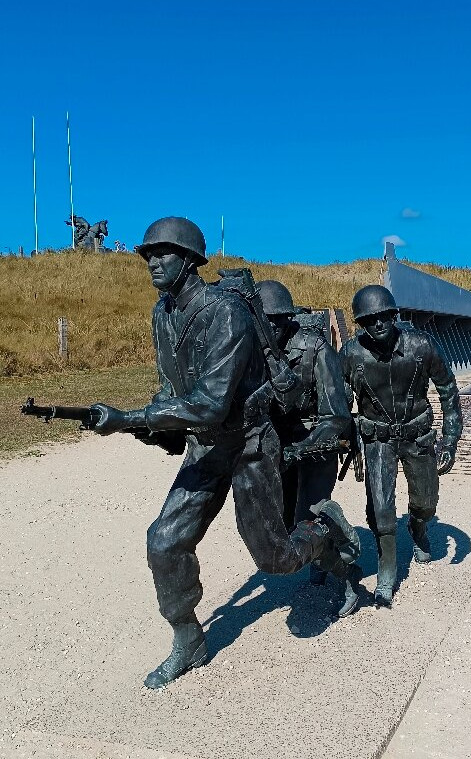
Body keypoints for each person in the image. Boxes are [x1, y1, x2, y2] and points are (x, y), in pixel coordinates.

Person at [89, 217, 361, 688]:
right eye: (148, 254)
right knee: (164, 542)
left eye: (164, 253)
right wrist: (152, 427)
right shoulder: (163, 313)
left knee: (274, 560)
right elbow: (173, 391)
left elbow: (213, 402)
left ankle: (323, 531)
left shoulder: (225, 314)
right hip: (205, 448)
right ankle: (188, 637)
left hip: (250, 447)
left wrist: (130, 418)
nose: (153, 261)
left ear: (191, 260)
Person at [340, 285, 463, 607]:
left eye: (383, 317)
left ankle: (418, 527)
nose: (378, 325)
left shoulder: (421, 346)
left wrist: (450, 440)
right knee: (381, 509)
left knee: (426, 502)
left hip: (417, 436)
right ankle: (387, 570)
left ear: (394, 316)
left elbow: (448, 388)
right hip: (377, 439)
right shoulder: (352, 354)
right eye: (369, 320)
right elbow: (337, 401)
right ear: (360, 324)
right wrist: (343, 436)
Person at [257, 280, 356, 604]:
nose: (270, 327)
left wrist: (302, 447)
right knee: (283, 526)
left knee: (308, 518)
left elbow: (338, 417)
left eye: (277, 320)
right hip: (278, 447)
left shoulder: (315, 348)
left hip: (317, 443)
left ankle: (344, 576)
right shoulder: (247, 348)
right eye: (263, 320)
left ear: (288, 318)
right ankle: (327, 539)